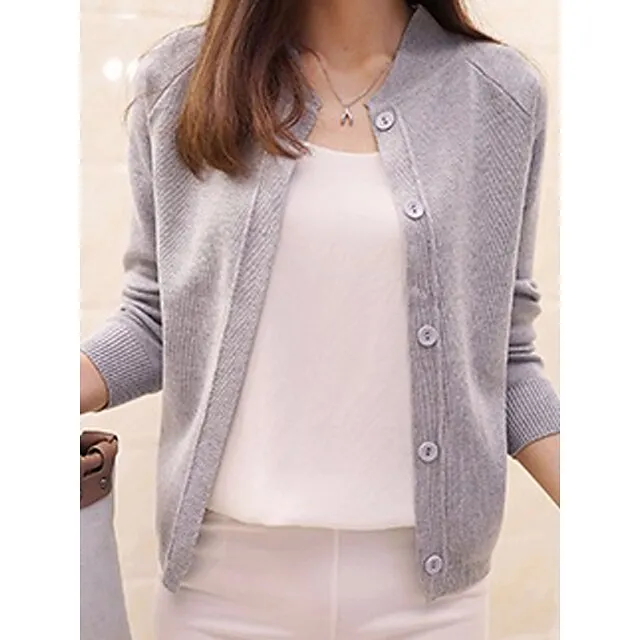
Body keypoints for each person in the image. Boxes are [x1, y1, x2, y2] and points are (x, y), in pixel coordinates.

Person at [80, 0, 560, 638]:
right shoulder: (182, 79)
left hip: (430, 603)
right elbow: (155, 320)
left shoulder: (500, 94)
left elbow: (504, 357)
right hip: (221, 591)